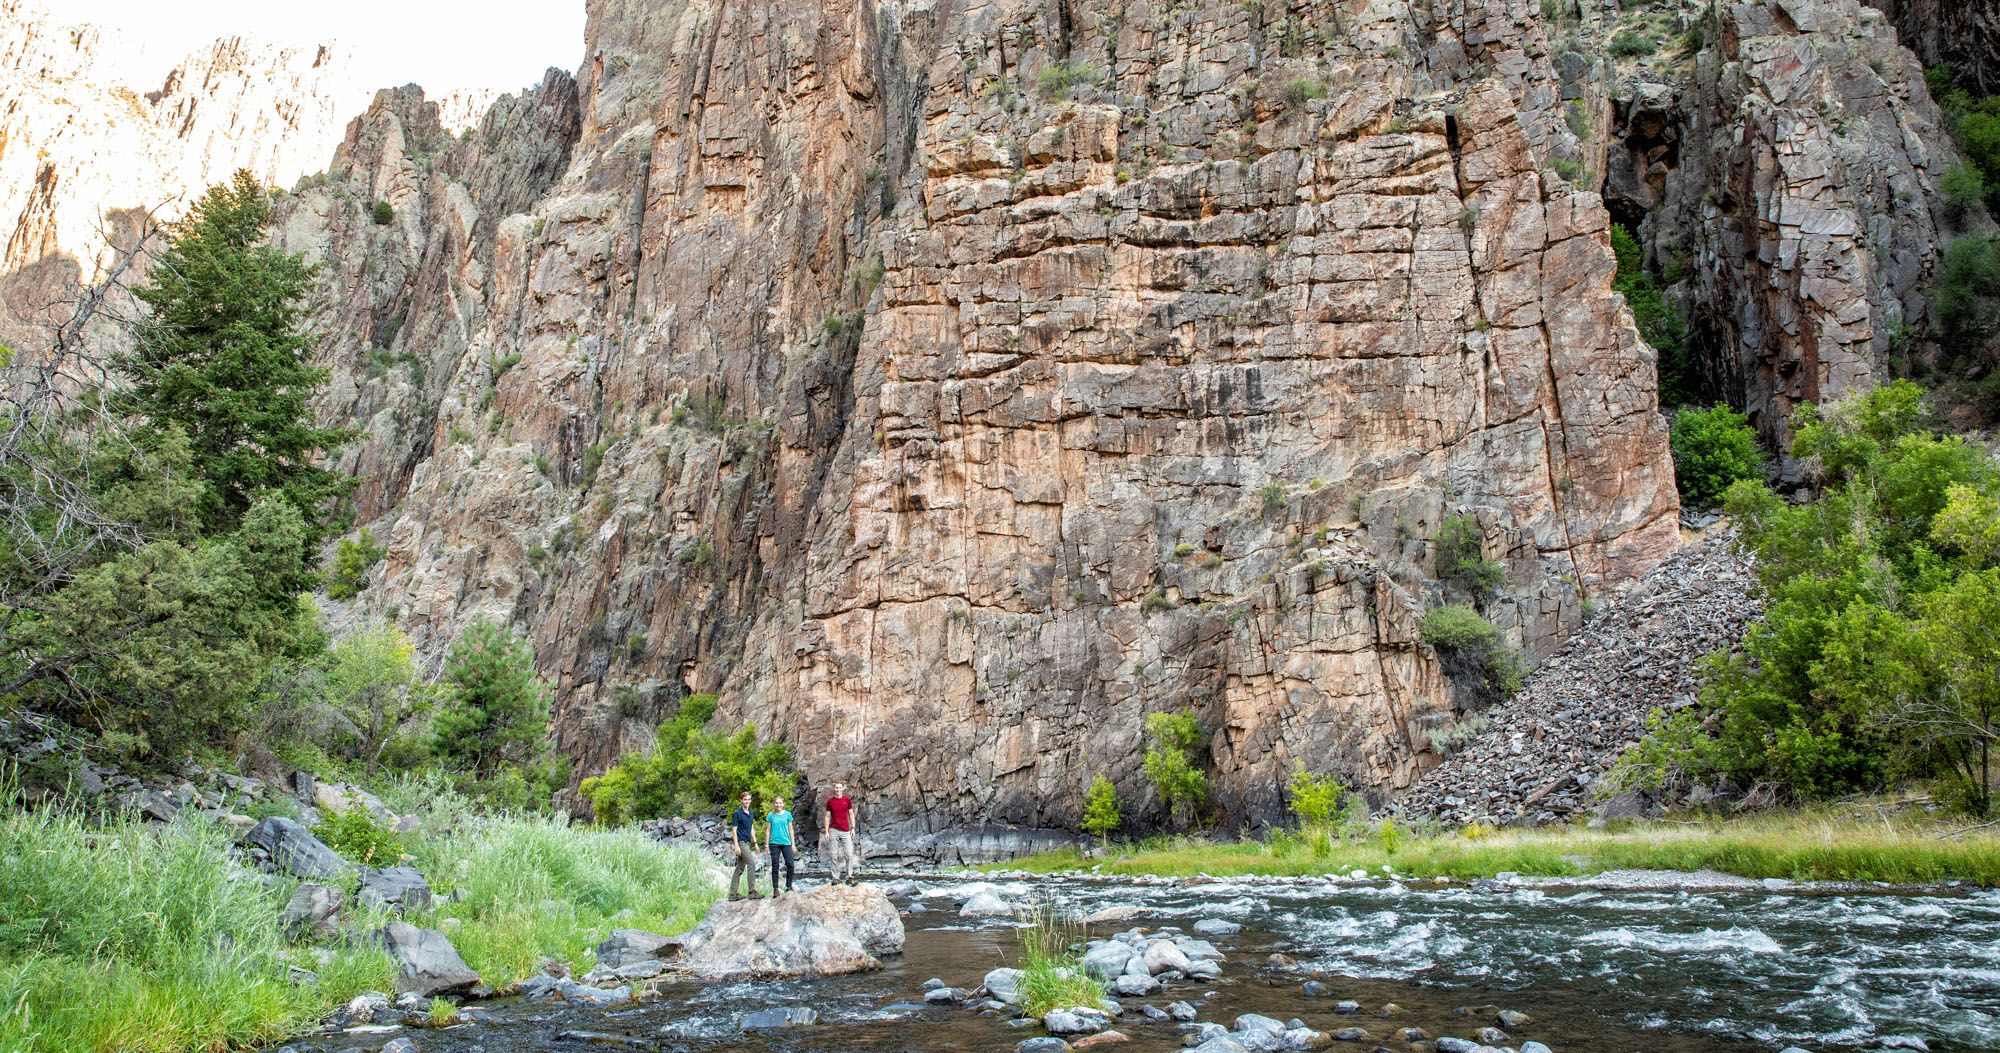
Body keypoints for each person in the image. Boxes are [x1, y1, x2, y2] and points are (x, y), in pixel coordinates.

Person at [822, 780, 859, 885]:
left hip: (846, 830)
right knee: (834, 854)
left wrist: (853, 828)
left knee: (849, 854)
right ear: (834, 789)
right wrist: (826, 831)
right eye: (836, 788)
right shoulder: (830, 801)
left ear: (843, 789)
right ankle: (836, 878)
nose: (838, 789)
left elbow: (851, 814)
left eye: (840, 787)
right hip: (833, 830)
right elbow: (827, 816)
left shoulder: (847, 800)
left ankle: (849, 877)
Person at [728, 791, 762, 901]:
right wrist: (736, 846)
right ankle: (752, 892)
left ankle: (733, 894)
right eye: (745, 799)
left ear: (750, 800)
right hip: (741, 842)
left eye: (749, 799)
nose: (747, 801)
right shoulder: (737, 814)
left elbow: (751, 828)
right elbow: (734, 830)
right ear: (741, 800)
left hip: (747, 842)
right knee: (751, 863)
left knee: (739, 868)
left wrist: (755, 843)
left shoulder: (750, 813)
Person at [764, 795, 796, 895]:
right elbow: (768, 830)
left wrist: (793, 844)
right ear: (774, 804)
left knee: (790, 864)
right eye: (777, 803)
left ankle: (789, 886)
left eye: (780, 803)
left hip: (786, 843)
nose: (778, 805)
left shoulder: (787, 815)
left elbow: (791, 829)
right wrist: (766, 845)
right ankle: (776, 889)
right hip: (774, 843)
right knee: (775, 866)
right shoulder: (771, 815)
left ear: (783, 804)